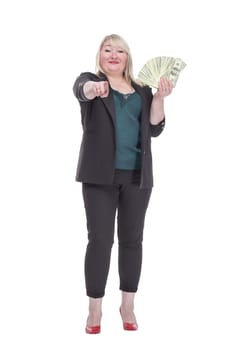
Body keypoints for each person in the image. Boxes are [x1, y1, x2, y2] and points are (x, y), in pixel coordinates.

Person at [73, 34, 173, 334]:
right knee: (100, 241)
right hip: (99, 177)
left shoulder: (142, 90)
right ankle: (94, 309)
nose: (114, 55)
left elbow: (155, 128)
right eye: (107, 50)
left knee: (132, 241)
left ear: (127, 57)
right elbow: (82, 91)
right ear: (100, 56)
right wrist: (94, 88)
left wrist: (159, 98)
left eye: (120, 51)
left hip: (137, 178)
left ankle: (127, 305)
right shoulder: (90, 81)